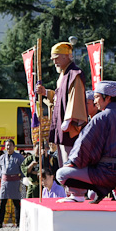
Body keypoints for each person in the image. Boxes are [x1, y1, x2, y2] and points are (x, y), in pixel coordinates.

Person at [55, 81, 116, 204]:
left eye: (97, 97)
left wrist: (72, 162)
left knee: (61, 173)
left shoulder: (100, 118)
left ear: (107, 98)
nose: (95, 101)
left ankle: (78, 195)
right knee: (93, 193)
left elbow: (84, 145)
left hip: (104, 172)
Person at [35, 42, 88, 200]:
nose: (54, 62)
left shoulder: (75, 74)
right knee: (64, 158)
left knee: (71, 158)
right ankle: (71, 191)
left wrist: (70, 118)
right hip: (62, 125)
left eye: (57, 58)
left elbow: (75, 97)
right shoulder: (64, 74)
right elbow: (59, 97)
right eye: (53, 59)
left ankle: (77, 192)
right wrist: (46, 93)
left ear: (67, 56)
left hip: (69, 126)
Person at [0, 139, 24, 226]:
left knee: (16, 202)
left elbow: (23, 169)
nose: (8, 147)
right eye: (7, 145)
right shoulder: (2, 157)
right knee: (2, 202)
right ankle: (0, 222)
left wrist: (22, 178)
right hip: (4, 182)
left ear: (14, 146)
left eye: (10, 145)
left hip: (15, 181)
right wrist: (1, 179)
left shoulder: (19, 157)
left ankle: (18, 223)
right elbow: (0, 170)